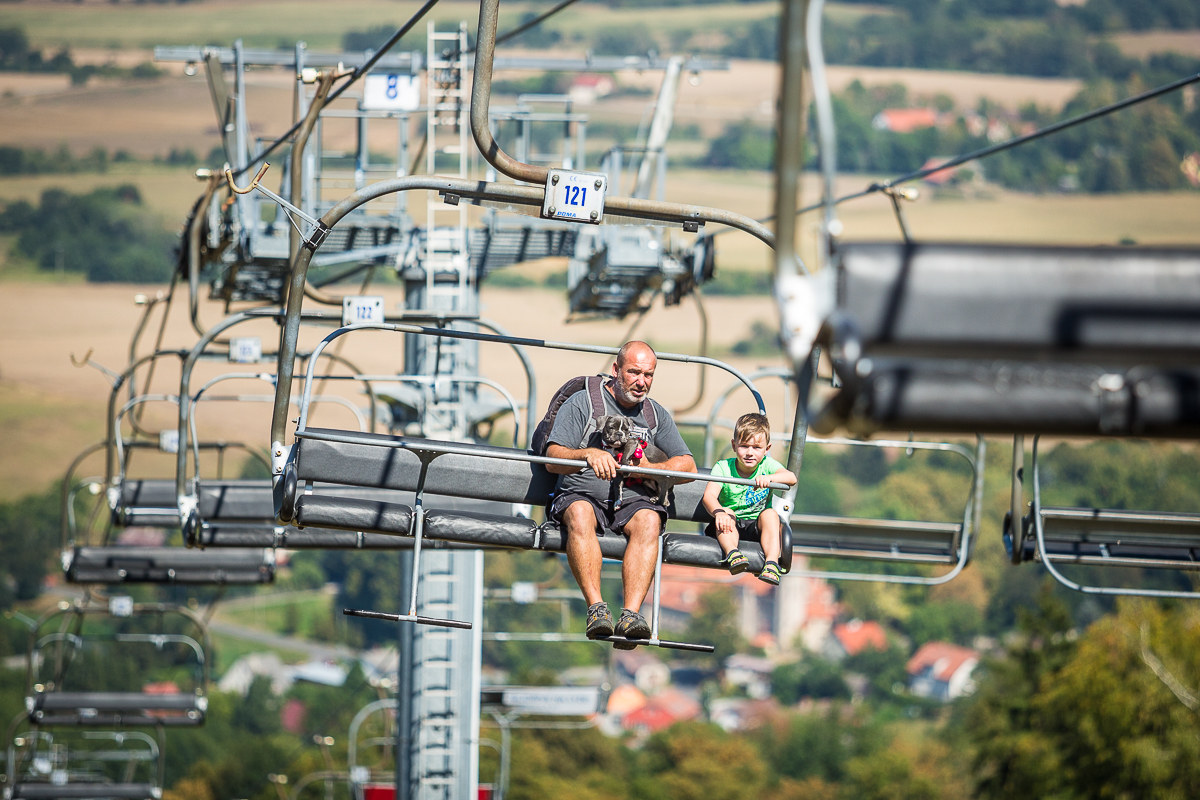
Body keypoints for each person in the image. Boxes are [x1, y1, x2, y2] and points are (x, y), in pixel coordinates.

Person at [545, 341, 697, 647]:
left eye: (648, 375)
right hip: (582, 494)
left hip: (630, 499)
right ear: (616, 370)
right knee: (580, 513)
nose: (641, 382)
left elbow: (688, 465)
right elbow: (552, 457)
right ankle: (597, 609)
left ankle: (631, 615)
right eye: (634, 372)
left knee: (649, 521)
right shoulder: (583, 404)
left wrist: (652, 468)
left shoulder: (654, 415)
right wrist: (586, 454)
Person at [701, 412, 796, 585]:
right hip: (729, 524)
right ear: (734, 445)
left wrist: (770, 479)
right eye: (744, 446)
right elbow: (709, 496)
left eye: (757, 448)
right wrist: (719, 512)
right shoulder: (723, 468)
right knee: (727, 511)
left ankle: (772, 563)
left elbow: (791, 478)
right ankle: (733, 553)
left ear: (767, 449)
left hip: (756, 528)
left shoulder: (767, 466)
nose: (750, 453)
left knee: (770, 515)